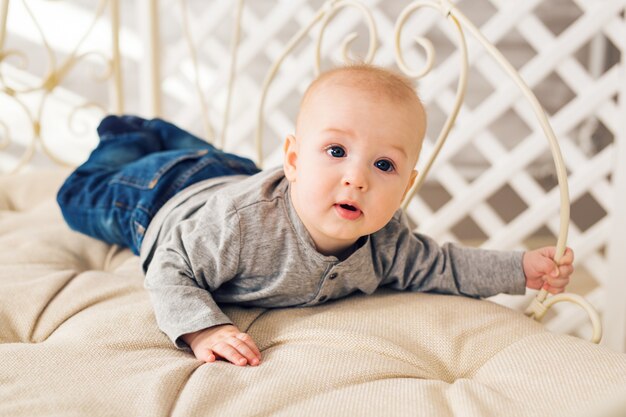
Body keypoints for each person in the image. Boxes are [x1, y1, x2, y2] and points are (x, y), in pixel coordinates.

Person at [57, 64, 574, 368]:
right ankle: (128, 135)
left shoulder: (388, 242)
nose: (357, 178)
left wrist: (520, 268)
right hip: (164, 198)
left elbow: (446, 267)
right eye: (335, 152)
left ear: (407, 185)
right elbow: (171, 265)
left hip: (235, 172)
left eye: (385, 164)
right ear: (296, 159)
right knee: (78, 195)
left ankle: (166, 137)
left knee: (210, 159)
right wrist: (203, 331)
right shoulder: (241, 227)